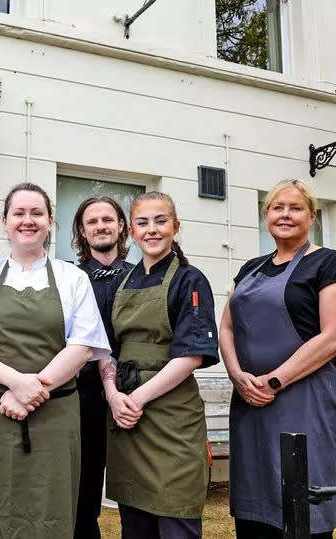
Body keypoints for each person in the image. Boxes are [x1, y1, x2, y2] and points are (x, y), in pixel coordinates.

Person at [0, 182, 111, 538]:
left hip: (53, 414)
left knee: (48, 508)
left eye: (36, 213)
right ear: (5, 221)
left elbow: (82, 346)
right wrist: (17, 383)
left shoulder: (72, 278)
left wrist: (34, 388)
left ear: (50, 221)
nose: (27, 221)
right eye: (19, 213)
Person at [220, 179, 336, 538]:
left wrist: (273, 381)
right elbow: (226, 328)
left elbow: (333, 337)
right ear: (266, 214)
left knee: (304, 507)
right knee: (256, 511)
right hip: (251, 404)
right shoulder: (250, 268)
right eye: (277, 207)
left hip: (307, 400)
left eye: (295, 207)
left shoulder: (330, 263)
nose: (285, 214)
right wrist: (239, 376)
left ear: (312, 216)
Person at [101, 191, 219, 539]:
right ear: (132, 232)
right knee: (134, 524)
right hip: (126, 421)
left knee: (175, 516)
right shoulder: (122, 281)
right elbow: (105, 350)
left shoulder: (189, 279)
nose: (151, 230)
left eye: (160, 221)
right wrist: (112, 395)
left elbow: (191, 355)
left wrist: (136, 400)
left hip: (170, 419)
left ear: (175, 226)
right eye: (142, 222)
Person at [70, 196, 133, 539]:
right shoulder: (69, 277)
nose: (100, 226)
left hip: (134, 392)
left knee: (136, 487)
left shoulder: (140, 276)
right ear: (82, 229)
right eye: (92, 221)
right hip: (82, 397)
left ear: (121, 225)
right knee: (83, 485)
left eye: (107, 219)